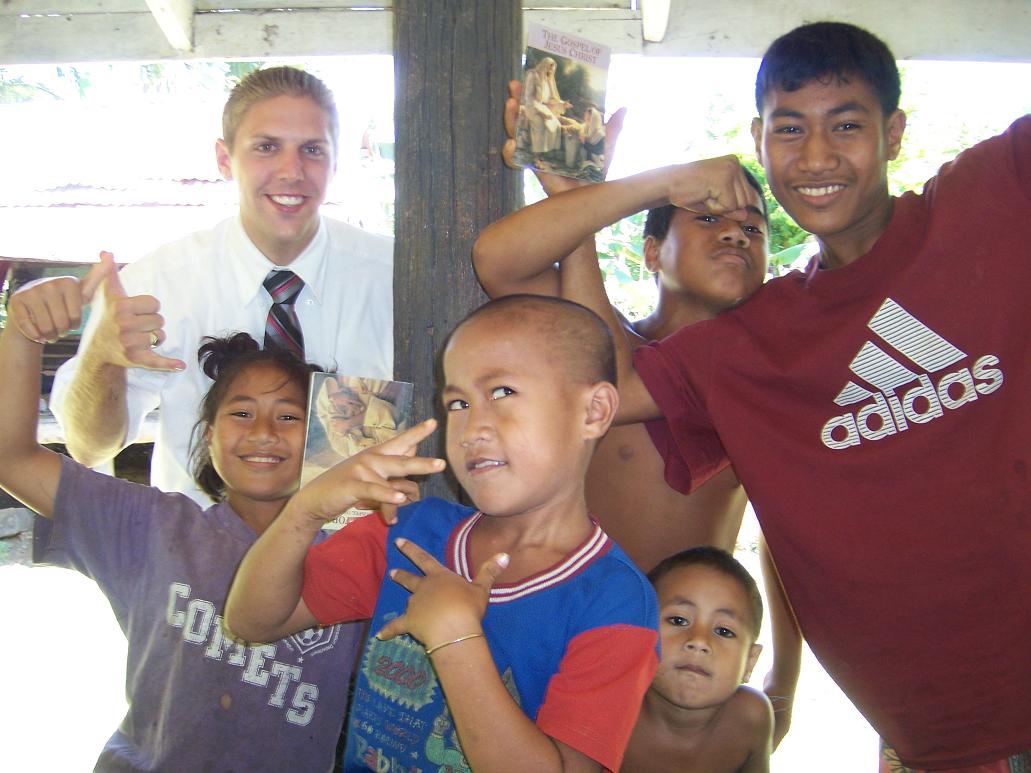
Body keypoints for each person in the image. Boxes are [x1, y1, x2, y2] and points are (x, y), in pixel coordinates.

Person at [471, 21, 1031, 771]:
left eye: (847, 124)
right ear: (758, 141)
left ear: (894, 133)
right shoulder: (742, 353)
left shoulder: (986, 199)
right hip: (925, 735)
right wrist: (608, 192)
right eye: (790, 129)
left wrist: (783, 680)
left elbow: (777, 537)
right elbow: (572, 342)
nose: (818, 155)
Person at [475, 82, 802, 748]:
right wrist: (627, 191)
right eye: (707, 217)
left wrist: (784, 679)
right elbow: (497, 260)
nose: (736, 233)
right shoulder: (593, 333)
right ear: (651, 252)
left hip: (677, 664)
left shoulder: (755, 377)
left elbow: (787, 537)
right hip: (558, 631)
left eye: (753, 229)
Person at [226, 295, 660, 773]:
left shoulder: (616, 601)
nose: (472, 428)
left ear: (594, 411)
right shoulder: (410, 533)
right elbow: (254, 622)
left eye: (503, 392)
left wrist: (455, 637)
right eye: (458, 403)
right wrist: (304, 511)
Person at [1, 257, 365, 772]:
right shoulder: (149, 526)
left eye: (288, 416)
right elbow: (12, 457)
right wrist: (23, 332)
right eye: (241, 413)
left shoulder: (355, 558)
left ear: (318, 442)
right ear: (209, 435)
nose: (263, 432)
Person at [49, 65, 392, 506]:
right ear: (224, 159)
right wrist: (102, 359)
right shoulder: (157, 286)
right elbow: (89, 447)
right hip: (198, 542)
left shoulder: (393, 279)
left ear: (335, 161)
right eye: (266, 147)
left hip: (354, 542)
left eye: (312, 149)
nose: (292, 171)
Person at [622, 547, 772, 773]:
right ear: (639, 632)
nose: (699, 641)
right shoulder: (608, 708)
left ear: (750, 662)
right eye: (678, 620)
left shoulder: (750, 719)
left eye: (724, 631)